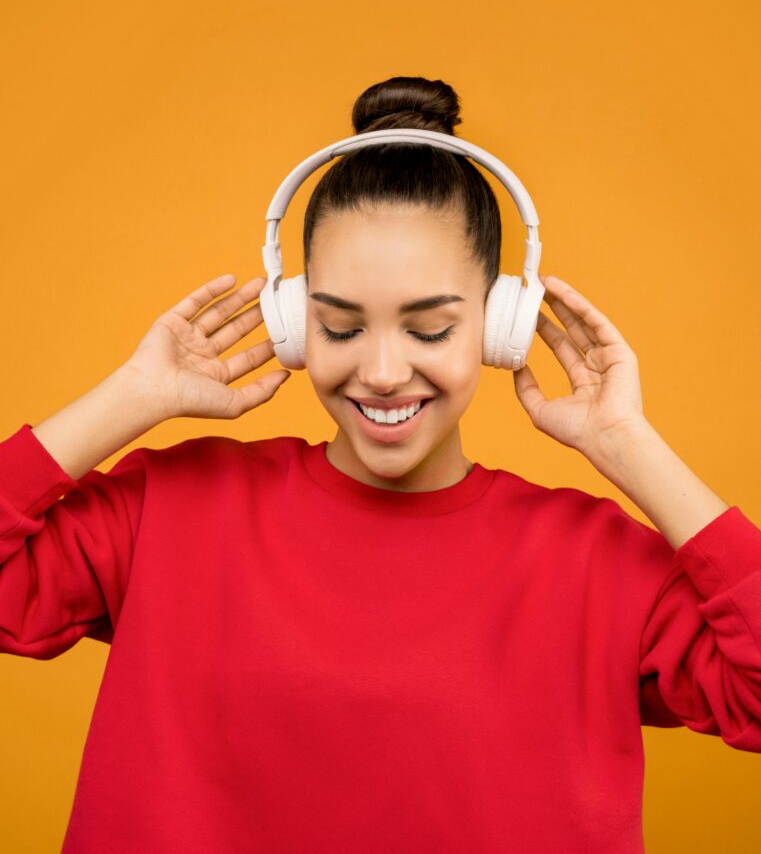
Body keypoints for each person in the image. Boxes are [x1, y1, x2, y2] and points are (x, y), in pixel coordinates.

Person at [1, 75, 759, 854]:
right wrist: (131, 397)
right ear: (295, 327)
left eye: (429, 330)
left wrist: (627, 444)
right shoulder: (172, 508)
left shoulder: (596, 563)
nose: (385, 371)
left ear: (500, 328)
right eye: (339, 326)